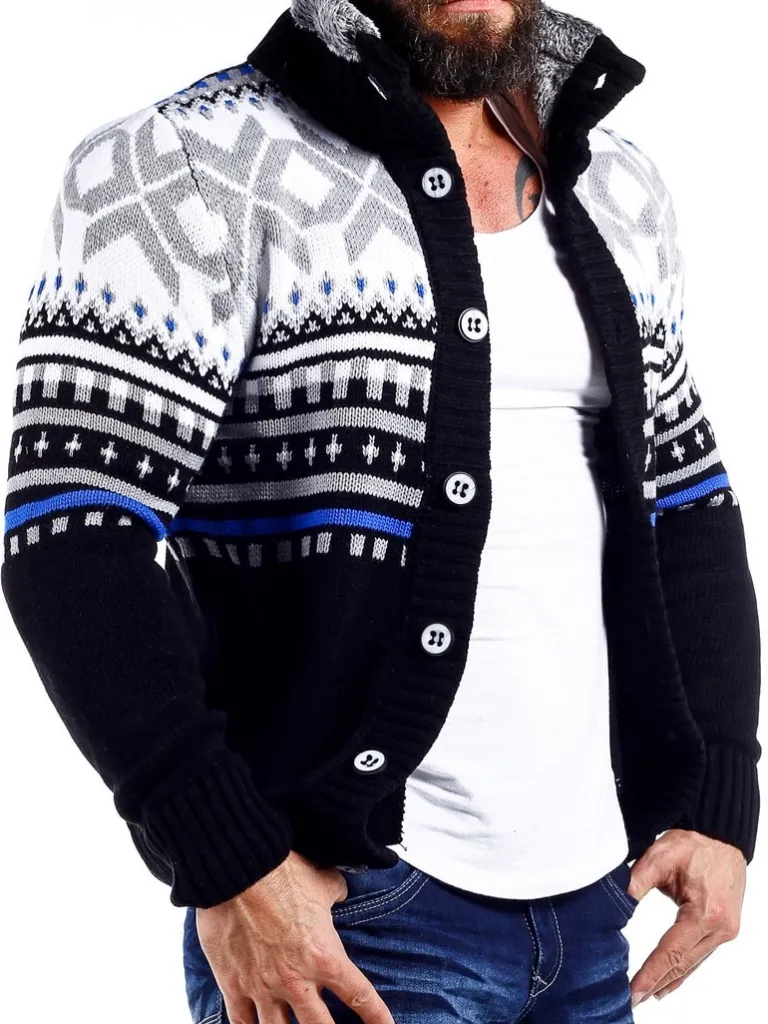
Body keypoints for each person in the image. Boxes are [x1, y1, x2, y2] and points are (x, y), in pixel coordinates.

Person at [2, 1, 761, 1022]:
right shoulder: (185, 162)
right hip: (348, 911)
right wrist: (225, 858)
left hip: (593, 906)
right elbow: (73, 532)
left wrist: (720, 796)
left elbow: (689, 504)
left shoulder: (615, 183)